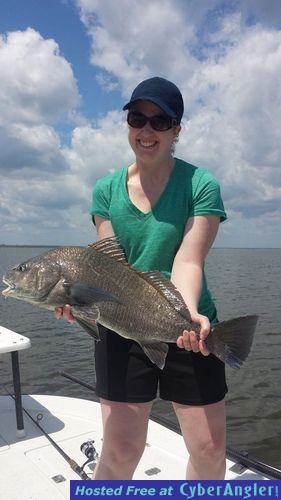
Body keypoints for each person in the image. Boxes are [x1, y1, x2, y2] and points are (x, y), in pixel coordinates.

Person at [56, 76, 228, 480]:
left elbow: (188, 260)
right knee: (120, 448)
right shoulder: (105, 190)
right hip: (121, 323)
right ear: (128, 123)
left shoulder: (201, 184)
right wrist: (76, 303)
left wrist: (186, 316)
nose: (147, 130)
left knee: (207, 449)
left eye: (160, 121)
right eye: (138, 118)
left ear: (176, 129)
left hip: (190, 320)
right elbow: (107, 268)